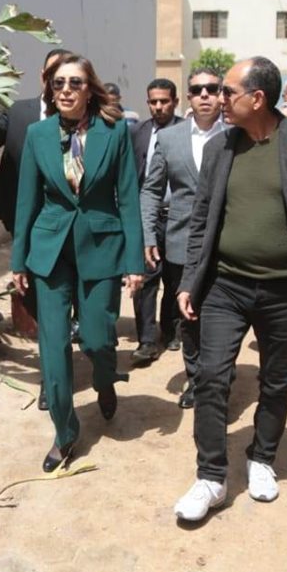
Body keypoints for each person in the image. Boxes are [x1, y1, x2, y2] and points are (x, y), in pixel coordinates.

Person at [173, 56, 287, 521]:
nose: (219, 99)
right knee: (211, 376)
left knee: (276, 380)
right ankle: (211, 477)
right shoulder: (220, 148)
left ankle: (262, 458)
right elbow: (201, 220)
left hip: (286, 292)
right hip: (225, 286)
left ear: (257, 99)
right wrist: (190, 280)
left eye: (228, 92)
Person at [11, 54, 145, 472]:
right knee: (53, 348)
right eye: (59, 83)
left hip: (101, 247)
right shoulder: (37, 134)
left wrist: (135, 261)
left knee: (98, 339)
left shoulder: (115, 132)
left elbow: (129, 199)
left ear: (90, 89)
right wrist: (18, 260)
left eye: (75, 83)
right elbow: (26, 201)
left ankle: (105, 380)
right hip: (50, 251)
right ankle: (65, 432)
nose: (66, 90)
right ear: (50, 90)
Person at [0, 48, 69, 410]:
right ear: (43, 77)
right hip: (25, 221)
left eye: (66, 75)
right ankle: (52, 374)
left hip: (67, 223)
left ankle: (64, 345)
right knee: (40, 296)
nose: (59, 83)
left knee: (61, 294)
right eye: (53, 75)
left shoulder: (80, 117)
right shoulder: (20, 112)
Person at [139, 66, 225, 407]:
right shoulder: (169, 138)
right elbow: (151, 189)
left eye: (212, 89)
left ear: (221, 95)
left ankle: (218, 377)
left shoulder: (237, 136)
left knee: (222, 317)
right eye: (198, 89)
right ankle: (196, 379)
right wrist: (148, 234)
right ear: (188, 97)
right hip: (180, 243)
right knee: (188, 317)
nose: (204, 95)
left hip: (226, 244)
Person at [131, 79, 183, 364]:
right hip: (147, 217)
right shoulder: (137, 133)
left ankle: (171, 330)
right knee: (146, 279)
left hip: (178, 218)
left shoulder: (186, 131)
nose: (159, 106)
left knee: (175, 278)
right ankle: (147, 340)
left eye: (164, 101)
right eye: (154, 102)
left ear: (175, 102)